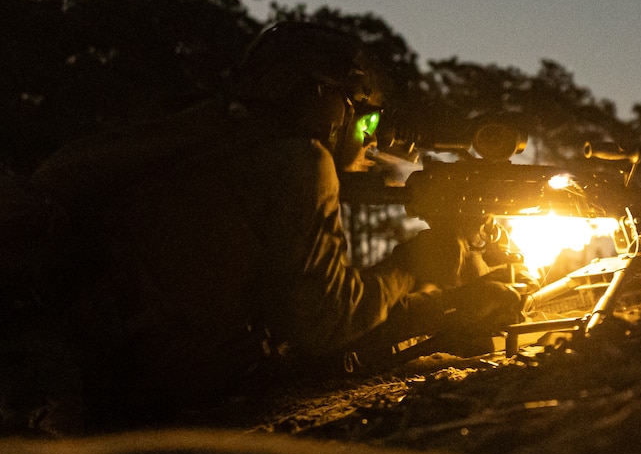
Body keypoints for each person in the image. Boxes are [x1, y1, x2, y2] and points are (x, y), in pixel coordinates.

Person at [10, 21, 523, 429]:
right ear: (325, 99)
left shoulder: (198, 139)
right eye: (365, 120)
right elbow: (322, 325)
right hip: (133, 386)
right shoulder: (299, 161)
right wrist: (412, 267)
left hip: (83, 363)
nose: (369, 143)